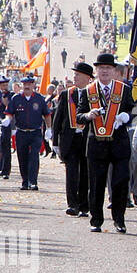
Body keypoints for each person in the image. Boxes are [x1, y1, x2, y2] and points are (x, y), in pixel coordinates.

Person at [77, 53, 134, 233]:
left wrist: (126, 116)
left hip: (119, 143)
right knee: (96, 183)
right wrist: (88, 115)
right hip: (97, 143)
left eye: (108, 68)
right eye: (101, 68)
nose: (104, 71)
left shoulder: (123, 89)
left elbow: (134, 109)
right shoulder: (88, 91)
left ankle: (119, 219)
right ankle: (96, 220)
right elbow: (79, 115)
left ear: (114, 71)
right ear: (97, 70)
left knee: (120, 183)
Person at [52, 61, 92, 216]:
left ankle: (84, 205)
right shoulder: (66, 94)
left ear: (87, 77)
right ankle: (72, 204)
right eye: (74, 74)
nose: (75, 77)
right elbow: (58, 118)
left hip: (87, 138)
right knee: (71, 172)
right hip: (70, 138)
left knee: (85, 173)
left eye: (78, 75)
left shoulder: (93, 93)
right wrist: (55, 141)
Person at [6, 75, 51, 190]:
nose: (27, 86)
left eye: (29, 84)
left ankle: (33, 181)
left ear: (33, 85)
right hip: (21, 132)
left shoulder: (39, 98)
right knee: (22, 156)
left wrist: (49, 128)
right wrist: (8, 119)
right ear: (22, 85)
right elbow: (10, 112)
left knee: (34, 156)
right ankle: (25, 181)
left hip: (35, 132)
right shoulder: (16, 98)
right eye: (25, 84)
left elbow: (46, 114)